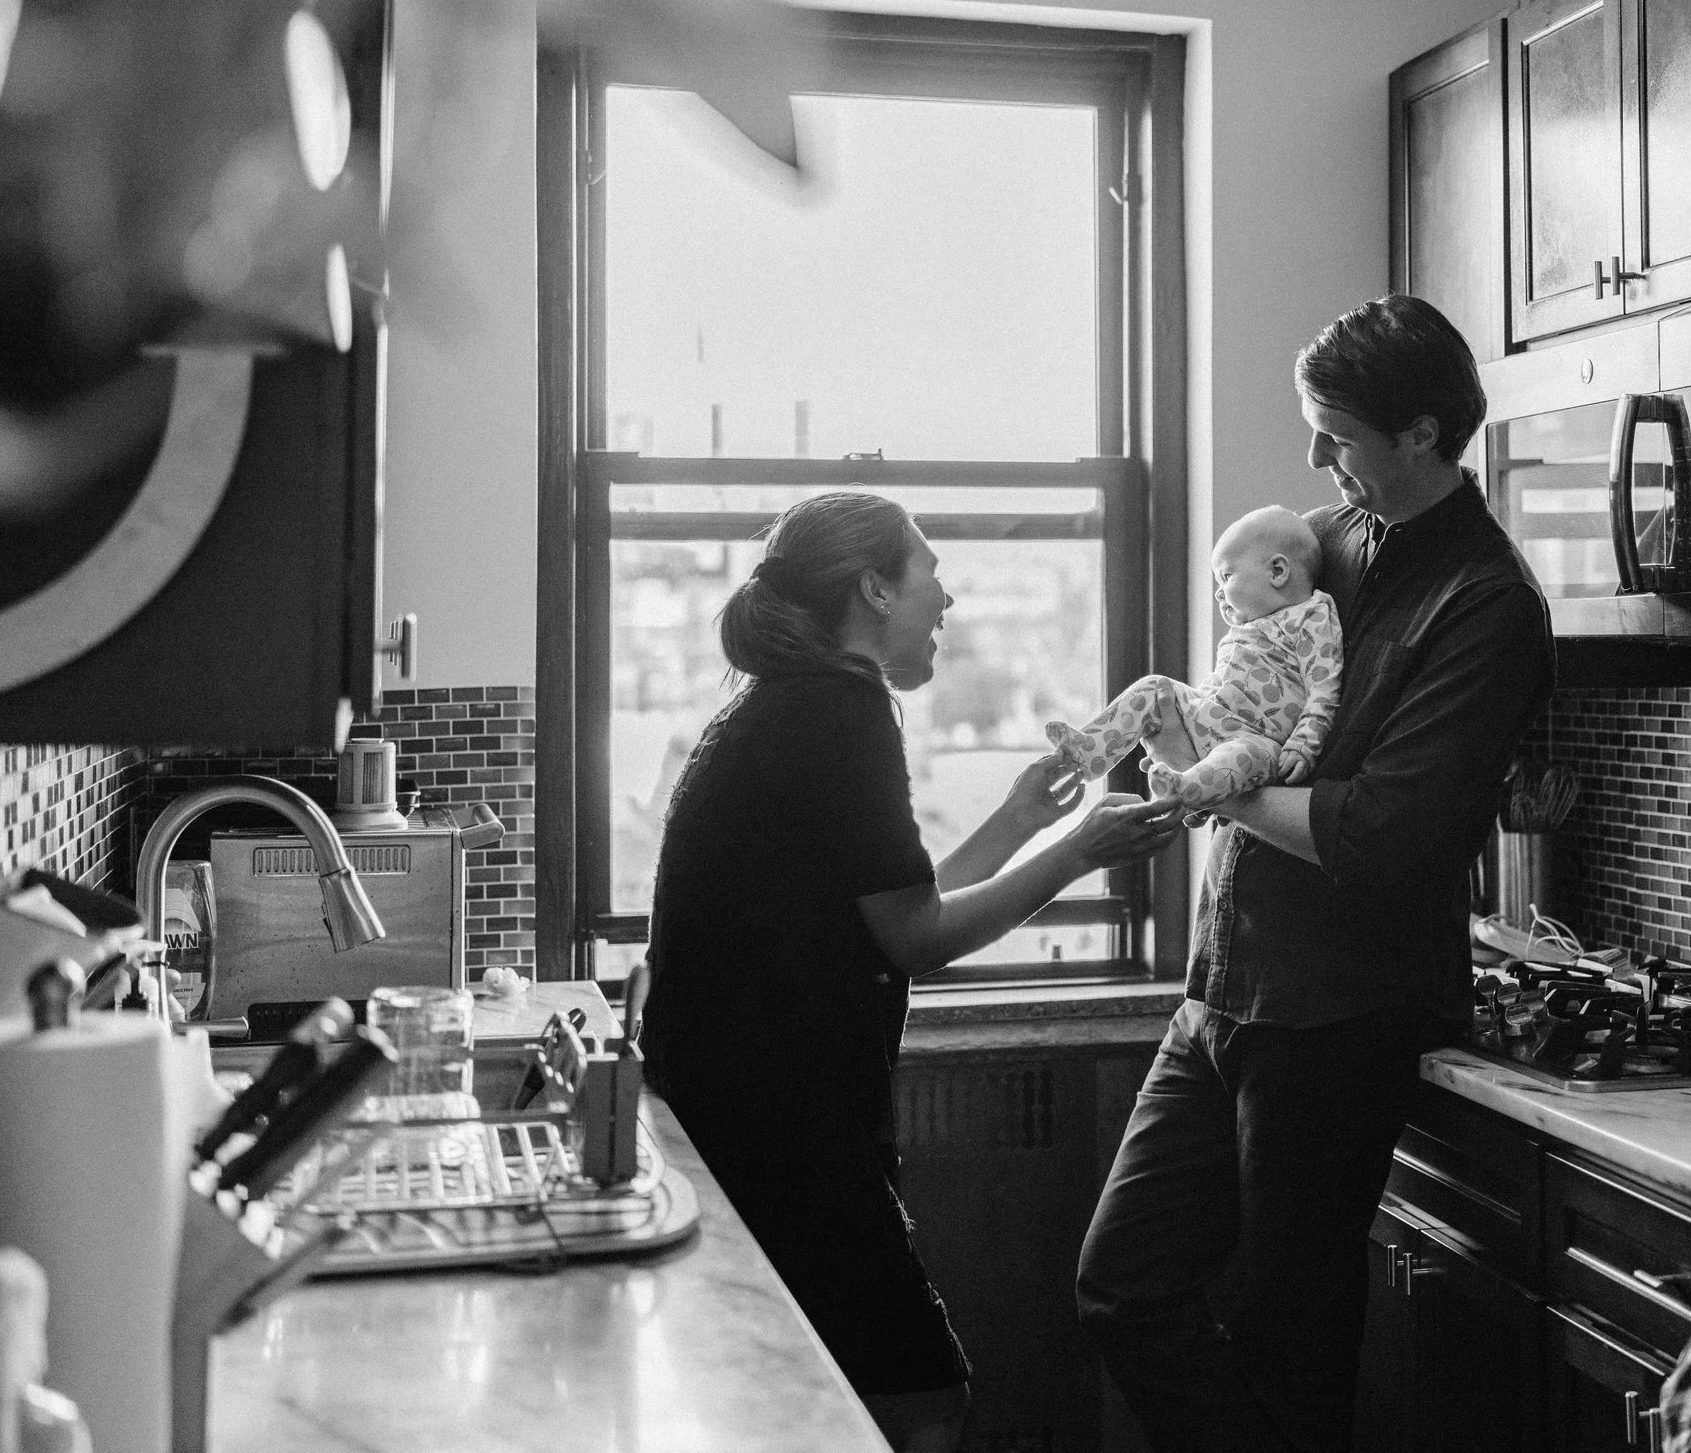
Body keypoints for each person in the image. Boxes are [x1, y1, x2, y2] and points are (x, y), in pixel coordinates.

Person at [1075, 295, 1558, 1452]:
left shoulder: (1489, 607)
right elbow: (1245, 696)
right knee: (1120, 1285)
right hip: (1222, 986)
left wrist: (1208, 787)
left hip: (1340, 1021)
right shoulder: (1322, 539)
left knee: (1290, 1340)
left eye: (1334, 433)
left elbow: (1379, 831)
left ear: (1423, 436)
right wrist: (1182, 739)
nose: (1313, 458)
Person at [639, 491, 1187, 1453]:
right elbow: (916, 938)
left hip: (747, 1118)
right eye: (932, 574)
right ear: (875, 588)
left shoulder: (788, 706)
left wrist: (1027, 817)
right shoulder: (843, 713)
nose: (949, 600)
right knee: (922, 1403)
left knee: (813, 1397)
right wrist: (1077, 856)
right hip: (783, 1133)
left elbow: (895, 900)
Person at [1045, 505, 1344, 807]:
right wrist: (1188, 715)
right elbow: (1220, 683)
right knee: (1154, 687)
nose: (1218, 592)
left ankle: (1185, 787)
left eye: (1226, 576)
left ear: (1277, 571)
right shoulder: (1247, 629)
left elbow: (1324, 687)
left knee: (1240, 758)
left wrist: (1305, 742)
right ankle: (1089, 752)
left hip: (1258, 739)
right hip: (1210, 713)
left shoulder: (1311, 615)